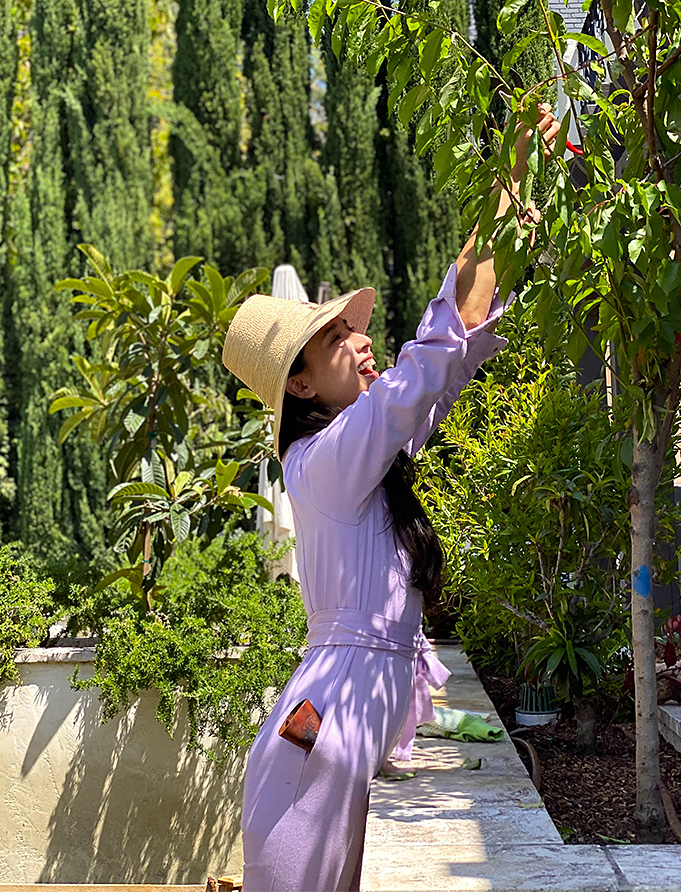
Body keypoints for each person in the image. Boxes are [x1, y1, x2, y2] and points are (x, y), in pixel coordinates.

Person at [221, 106, 560, 892]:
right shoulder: (327, 459)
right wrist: (508, 175)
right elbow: (429, 361)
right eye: (336, 338)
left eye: (352, 327)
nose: (361, 338)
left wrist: (514, 208)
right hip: (310, 748)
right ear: (299, 385)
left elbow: (456, 354)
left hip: (324, 742)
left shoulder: (363, 458)